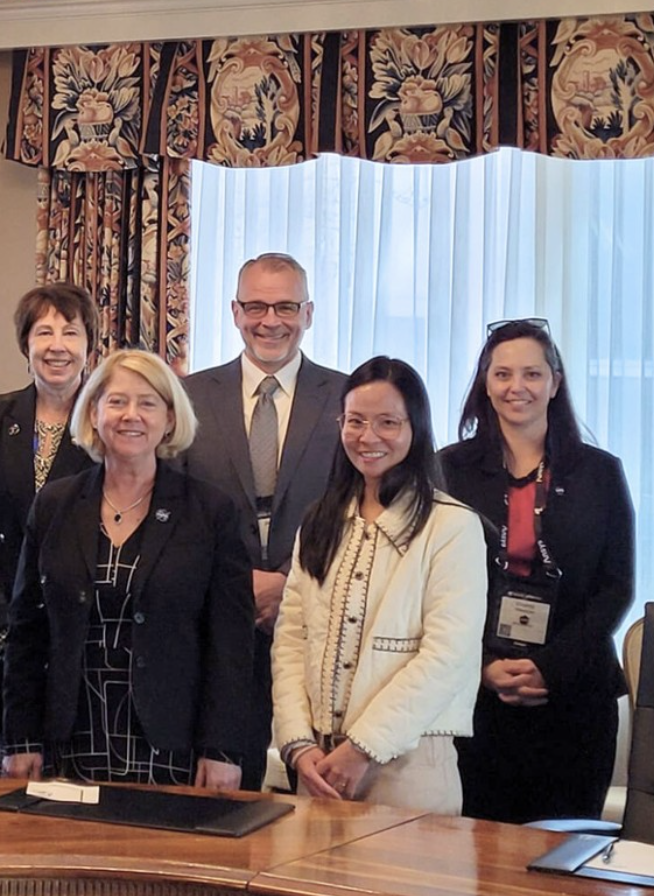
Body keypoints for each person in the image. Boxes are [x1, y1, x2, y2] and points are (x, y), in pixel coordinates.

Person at [2, 349, 254, 788]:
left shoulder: (210, 512)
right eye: (116, 401)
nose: (130, 415)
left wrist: (222, 748)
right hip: (72, 737)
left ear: (170, 419)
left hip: (172, 744)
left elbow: (230, 643)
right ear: (94, 412)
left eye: (148, 402)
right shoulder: (55, 506)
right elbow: (27, 631)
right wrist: (20, 737)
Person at [439, 319, 634, 823]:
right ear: (485, 382)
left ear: (555, 382)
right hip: (478, 701)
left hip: (574, 700)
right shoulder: (447, 471)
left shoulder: (600, 472)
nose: (516, 387)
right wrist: (483, 663)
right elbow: (434, 588)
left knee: (566, 868)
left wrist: (550, 666)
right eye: (502, 374)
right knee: (480, 870)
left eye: (531, 373)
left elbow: (616, 587)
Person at [272, 357, 485, 814]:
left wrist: (363, 748)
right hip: (318, 767)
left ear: (416, 428)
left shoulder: (452, 526)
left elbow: (447, 656)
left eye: (388, 422)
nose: (368, 437)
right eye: (355, 422)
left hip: (410, 766)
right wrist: (298, 745)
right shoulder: (320, 520)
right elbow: (291, 639)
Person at [180, 252, 347, 789]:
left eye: (285, 306)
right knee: (226, 803)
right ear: (234, 311)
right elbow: (173, 515)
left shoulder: (349, 399)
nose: (269, 320)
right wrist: (235, 582)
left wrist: (290, 582)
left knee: (326, 812)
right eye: (255, 305)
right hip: (216, 637)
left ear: (309, 313)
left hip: (321, 632)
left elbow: (362, 512)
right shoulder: (186, 398)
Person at [0, 283, 97, 776]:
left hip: (78, 630)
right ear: (25, 344)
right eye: (44, 331)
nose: (57, 345)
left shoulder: (110, 421)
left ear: (90, 345)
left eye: (70, 331)